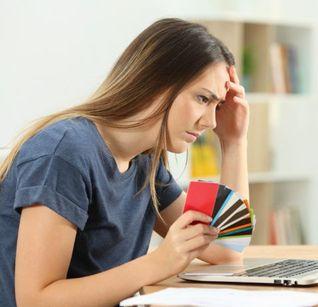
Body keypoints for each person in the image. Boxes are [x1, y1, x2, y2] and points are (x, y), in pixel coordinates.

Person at [0, 18, 249, 306]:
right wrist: (159, 263)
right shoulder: (65, 153)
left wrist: (233, 143)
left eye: (217, 105)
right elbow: (35, 300)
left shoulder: (145, 163)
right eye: (203, 99)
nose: (211, 121)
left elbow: (226, 247)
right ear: (156, 82)